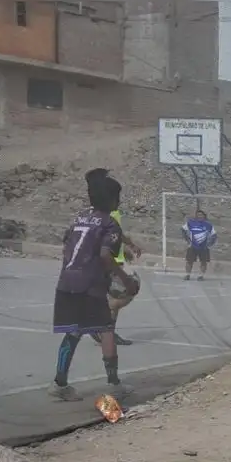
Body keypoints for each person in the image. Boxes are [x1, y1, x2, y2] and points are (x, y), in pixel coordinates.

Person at [49, 169, 139, 402]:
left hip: (67, 280)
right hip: (90, 285)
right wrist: (125, 279)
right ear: (111, 200)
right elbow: (105, 256)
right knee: (106, 329)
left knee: (73, 331)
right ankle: (113, 384)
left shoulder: (80, 217)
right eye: (118, 198)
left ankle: (59, 384)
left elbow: (65, 243)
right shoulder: (109, 223)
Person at [91, 169, 142, 347]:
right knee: (125, 291)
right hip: (108, 263)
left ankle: (105, 330)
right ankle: (104, 330)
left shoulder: (101, 214)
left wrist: (129, 246)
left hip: (112, 259)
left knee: (114, 297)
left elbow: (117, 234)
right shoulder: (107, 214)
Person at [182, 209, 217, 281]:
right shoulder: (191, 223)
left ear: (204, 216)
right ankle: (187, 275)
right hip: (193, 246)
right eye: (198, 215)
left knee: (203, 262)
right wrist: (188, 240)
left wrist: (209, 244)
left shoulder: (208, 225)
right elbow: (183, 230)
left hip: (204, 247)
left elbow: (214, 235)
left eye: (201, 215)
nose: (199, 216)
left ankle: (201, 276)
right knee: (189, 261)